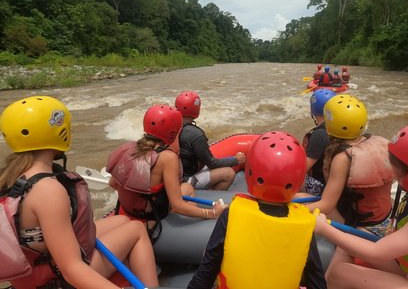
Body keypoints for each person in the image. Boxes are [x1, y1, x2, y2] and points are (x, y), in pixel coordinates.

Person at [0, 96, 158, 288]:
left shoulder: (13, 176)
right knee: (137, 229)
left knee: (123, 220)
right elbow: (72, 269)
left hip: (38, 265)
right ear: (60, 132)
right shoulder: (48, 190)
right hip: (56, 281)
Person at [187, 131, 327, 289]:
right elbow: (318, 284)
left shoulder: (232, 214)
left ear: (249, 174)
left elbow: (206, 273)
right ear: (299, 179)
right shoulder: (305, 224)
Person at [314, 123, 408, 289]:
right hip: (406, 268)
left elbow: (377, 253)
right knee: (358, 234)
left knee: (342, 272)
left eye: (396, 171)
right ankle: (328, 282)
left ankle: (331, 282)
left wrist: (324, 229)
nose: (393, 174)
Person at [299, 94, 396, 281]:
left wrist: (291, 210)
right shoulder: (381, 142)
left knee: (330, 277)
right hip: (387, 221)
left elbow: (327, 206)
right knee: (303, 195)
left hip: (362, 227)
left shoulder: (343, 158)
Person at [106, 104, 227, 241]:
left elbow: (113, 184)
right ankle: (180, 235)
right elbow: (177, 205)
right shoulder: (168, 158)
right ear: (173, 132)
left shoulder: (129, 148)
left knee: (186, 187)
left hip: (125, 213)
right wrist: (212, 213)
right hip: (147, 223)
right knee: (187, 189)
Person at [175, 90, 246, 190]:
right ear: (196, 110)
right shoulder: (196, 134)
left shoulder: (171, 126)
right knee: (228, 173)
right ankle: (213, 199)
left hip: (175, 177)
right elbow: (212, 163)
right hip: (185, 181)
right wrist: (236, 160)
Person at [301, 89, 336, 196]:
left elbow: (304, 168)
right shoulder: (339, 129)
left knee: (294, 176)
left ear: (313, 110)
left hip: (323, 186)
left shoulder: (318, 135)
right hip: (336, 183)